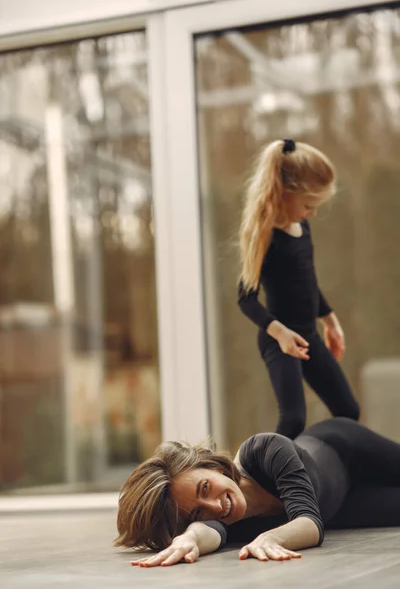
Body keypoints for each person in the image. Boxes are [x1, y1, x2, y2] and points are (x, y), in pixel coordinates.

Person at [115, 417, 400, 567]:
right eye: (198, 512)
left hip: (346, 449)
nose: (216, 506)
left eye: (205, 487)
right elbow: (206, 532)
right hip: (341, 506)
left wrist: (270, 537)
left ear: (212, 465)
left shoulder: (264, 450)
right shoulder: (219, 519)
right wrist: (186, 539)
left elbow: (309, 523)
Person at [237, 138, 360, 438]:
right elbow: (246, 298)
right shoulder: (264, 236)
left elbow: (307, 283)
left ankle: (330, 463)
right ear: (283, 193)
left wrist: (331, 322)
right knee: (292, 420)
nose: (312, 213)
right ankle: (265, 477)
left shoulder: (302, 227)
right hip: (280, 341)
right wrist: (280, 333)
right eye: (308, 205)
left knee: (348, 410)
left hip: (307, 337)